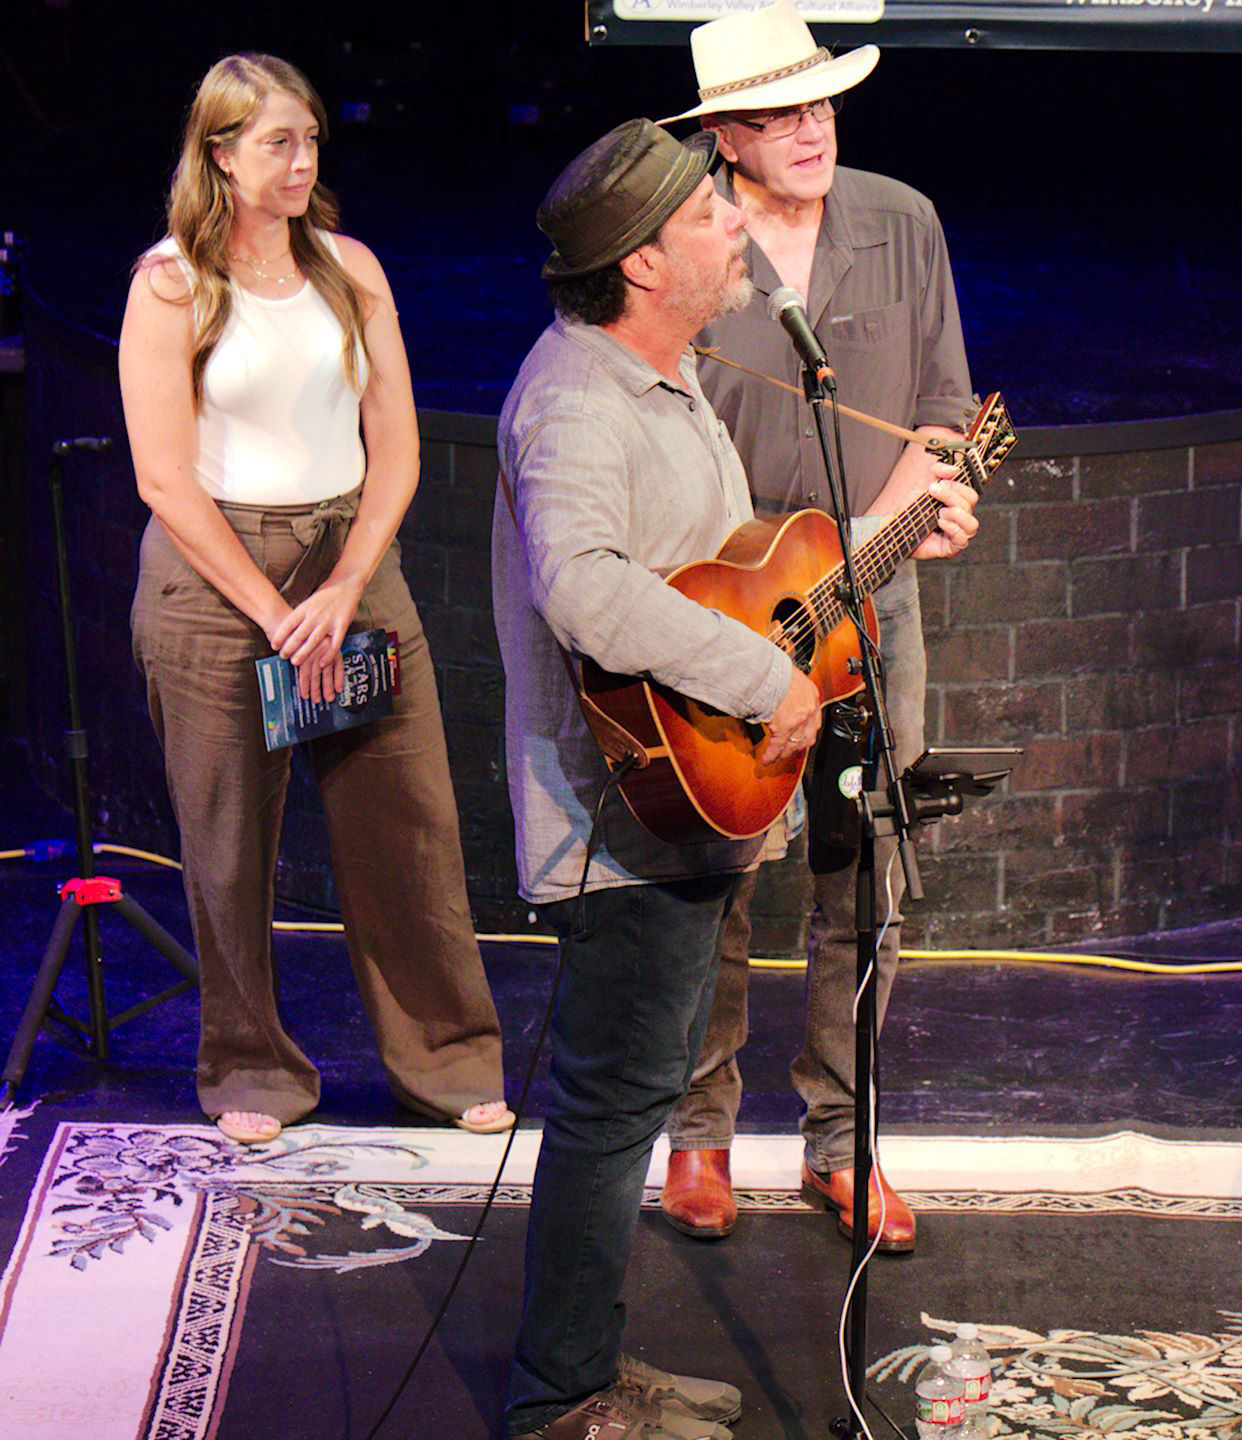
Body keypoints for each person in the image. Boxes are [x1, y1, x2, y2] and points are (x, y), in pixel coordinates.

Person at [492, 115, 982, 1439]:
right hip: (618, 824)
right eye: (712, 220)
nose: (735, 237)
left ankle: (588, 1361)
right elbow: (583, 588)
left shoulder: (669, 378)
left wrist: (824, 597)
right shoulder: (578, 401)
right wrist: (768, 682)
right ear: (647, 264)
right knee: (608, 1114)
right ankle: (558, 1398)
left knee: (629, 1094)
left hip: (677, 814)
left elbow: (716, 573)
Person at [118, 53, 511, 1149]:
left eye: (311, 141)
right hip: (213, 578)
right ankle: (250, 1066)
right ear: (221, 154)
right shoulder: (169, 285)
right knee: (229, 838)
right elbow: (163, 475)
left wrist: (342, 589)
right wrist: (273, 608)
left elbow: (396, 446)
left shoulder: (349, 267)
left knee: (407, 826)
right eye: (278, 143)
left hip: (350, 560)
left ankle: (445, 1060)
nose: (303, 162)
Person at [656, 0, 978, 1254]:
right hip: (729, 610)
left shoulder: (901, 221)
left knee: (865, 876)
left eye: (821, 102)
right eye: (780, 112)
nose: (810, 128)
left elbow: (945, 405)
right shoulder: (681, 240)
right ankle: (697, 1135)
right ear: (723, 135)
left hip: (872, 599)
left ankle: (843, 1147)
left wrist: (899, 522)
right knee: (722, 874)